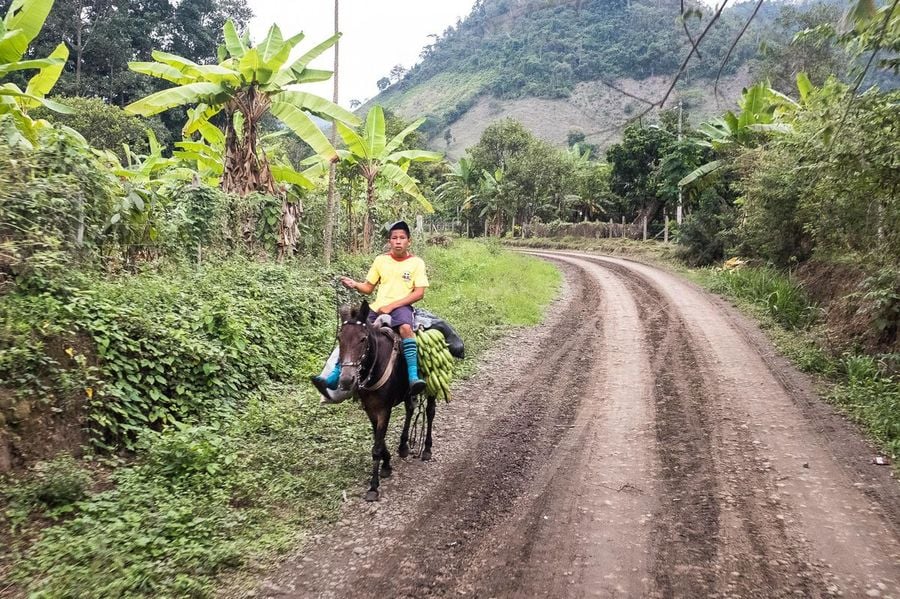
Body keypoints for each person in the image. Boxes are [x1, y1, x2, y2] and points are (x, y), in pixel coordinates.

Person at [312, 220, 429, 402]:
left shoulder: (416, 263)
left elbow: (419, 292)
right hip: (377, 306)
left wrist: (392, 306)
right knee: (352, 332)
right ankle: (334, 375)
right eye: (394, 238)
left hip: (402, 307)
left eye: (402, 238)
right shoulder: (380, 260)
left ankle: (413, 377)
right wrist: (354, 284)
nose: (398, 241)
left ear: (409, 241)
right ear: (389, 241)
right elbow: (368, 287)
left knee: (406, 329)